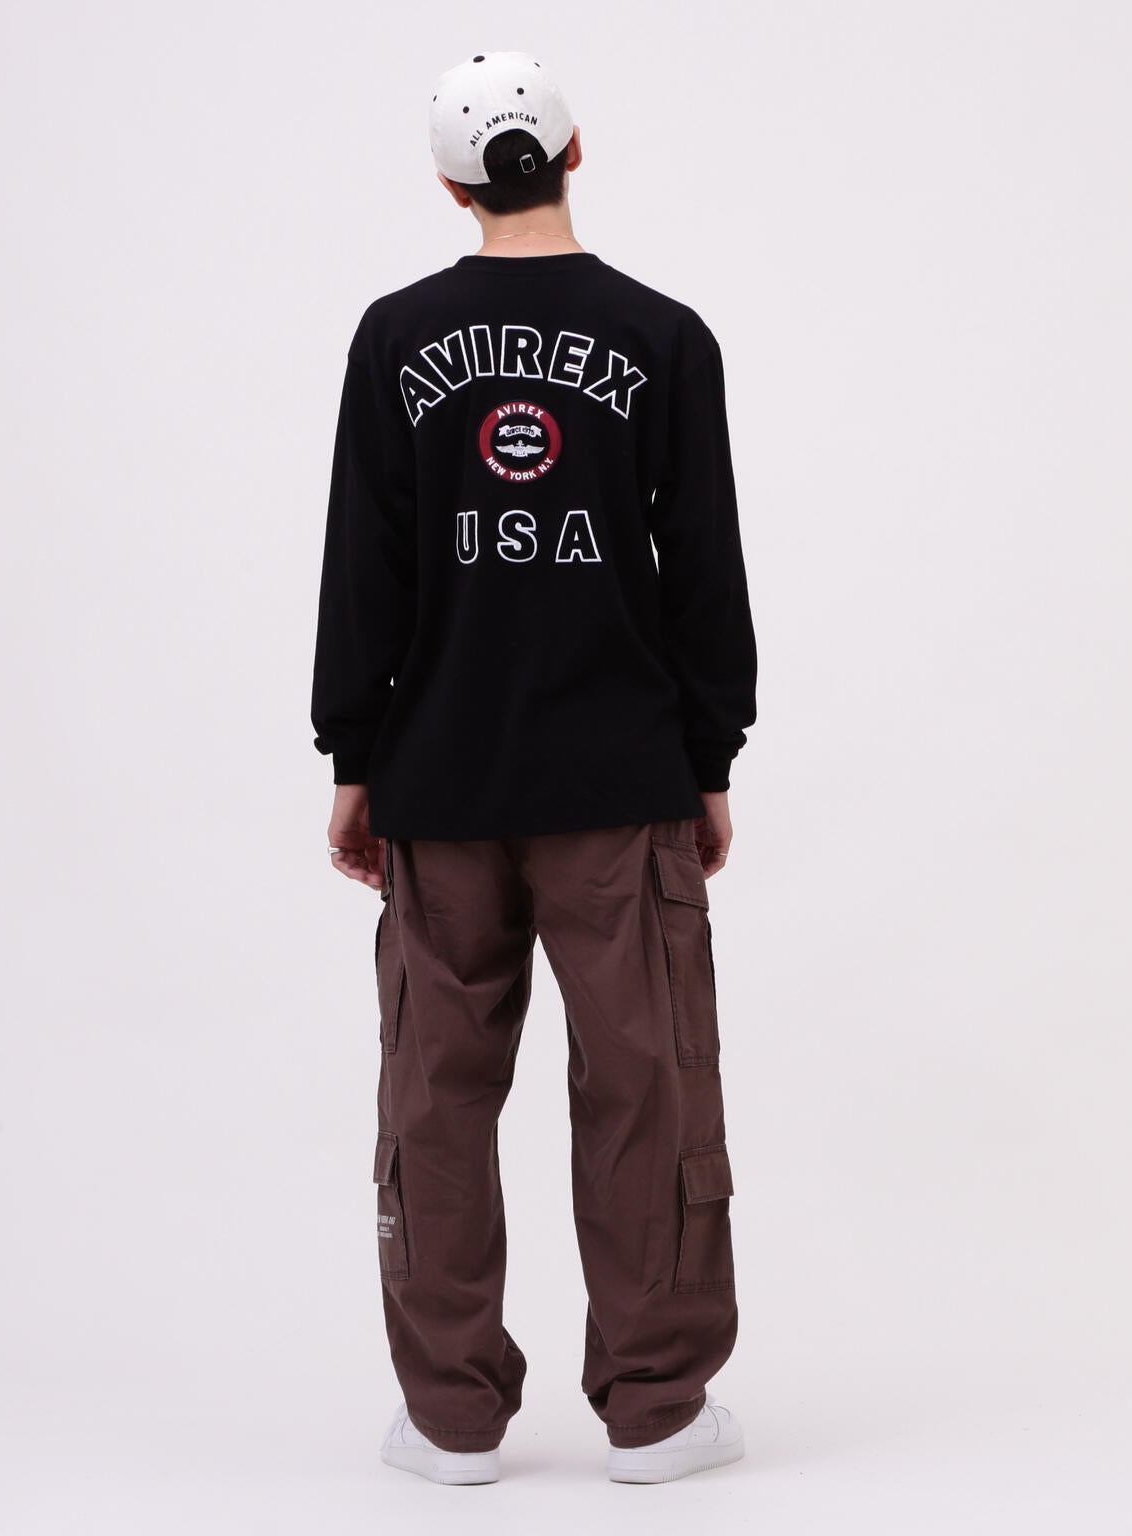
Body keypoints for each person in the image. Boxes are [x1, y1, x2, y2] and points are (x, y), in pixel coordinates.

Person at [310, 49, 757, 1486]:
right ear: (575, 151)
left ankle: (450, 1418)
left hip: (440, 780)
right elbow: (702, 567)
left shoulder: (395, 338)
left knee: (436, 1096)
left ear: (451, 185)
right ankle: (656, 1413)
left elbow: (367, 563)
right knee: (644, 1087)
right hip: (619, 782)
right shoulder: (663, 337)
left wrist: (354, 755)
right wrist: (709, 756)